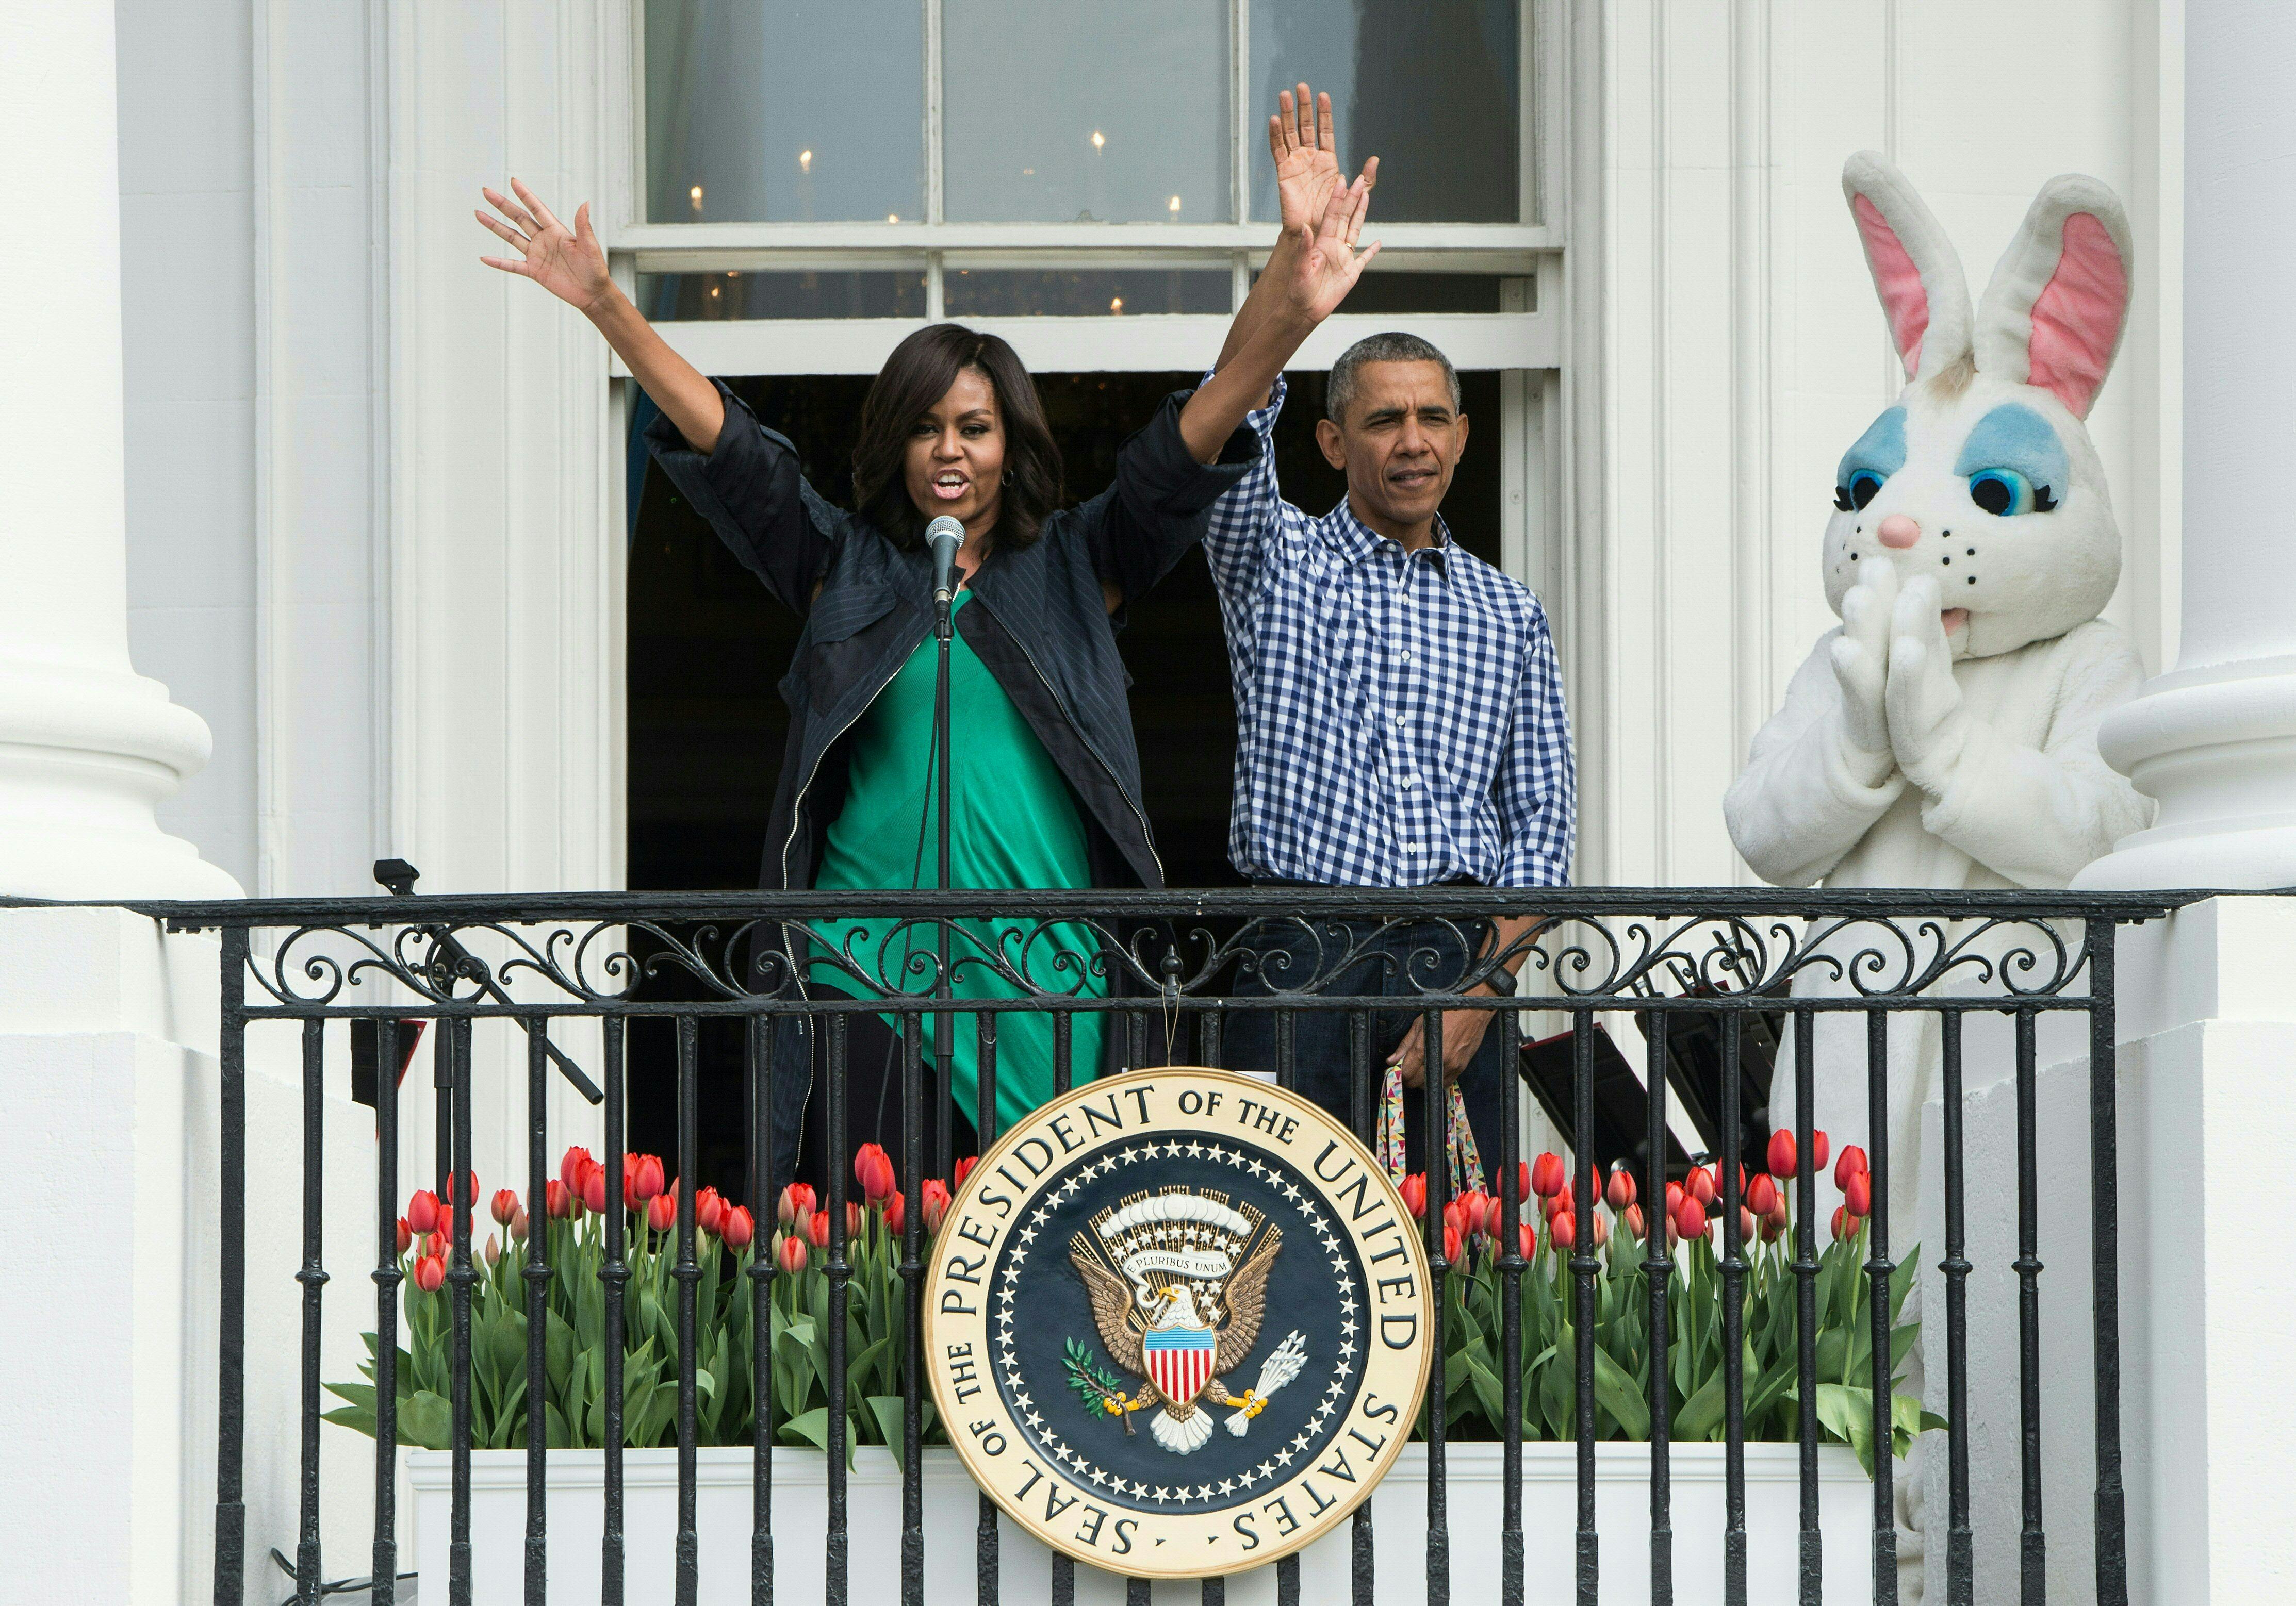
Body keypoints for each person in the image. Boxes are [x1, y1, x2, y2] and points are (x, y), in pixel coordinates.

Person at [473, 158, 1381, 1193]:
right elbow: (735, 449)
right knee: (878, 1257)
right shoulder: (845, 568)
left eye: (975, 427)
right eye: (925, 425)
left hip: (1048, 979)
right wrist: (606, 307)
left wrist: (1291, 312)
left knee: (1040, 1269)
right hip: (869, 969)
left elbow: (1192, 438)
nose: (950, 450)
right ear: (896, 443)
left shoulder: (1080, 563)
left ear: (1013, 441)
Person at [1201, 90, 1577, 1175]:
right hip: (1296, 958)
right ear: (1330, 438)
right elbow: (1225, 416)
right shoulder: (1276, 558)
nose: (1410, 440)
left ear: (1462, 436)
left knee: (1462, 1255)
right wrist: (1292, 272)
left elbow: (1540, 833)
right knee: (1286, 1245)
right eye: (1381, 418)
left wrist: (1483, 992)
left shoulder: (1510, 612)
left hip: (1454, 964)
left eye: (1431, 417)